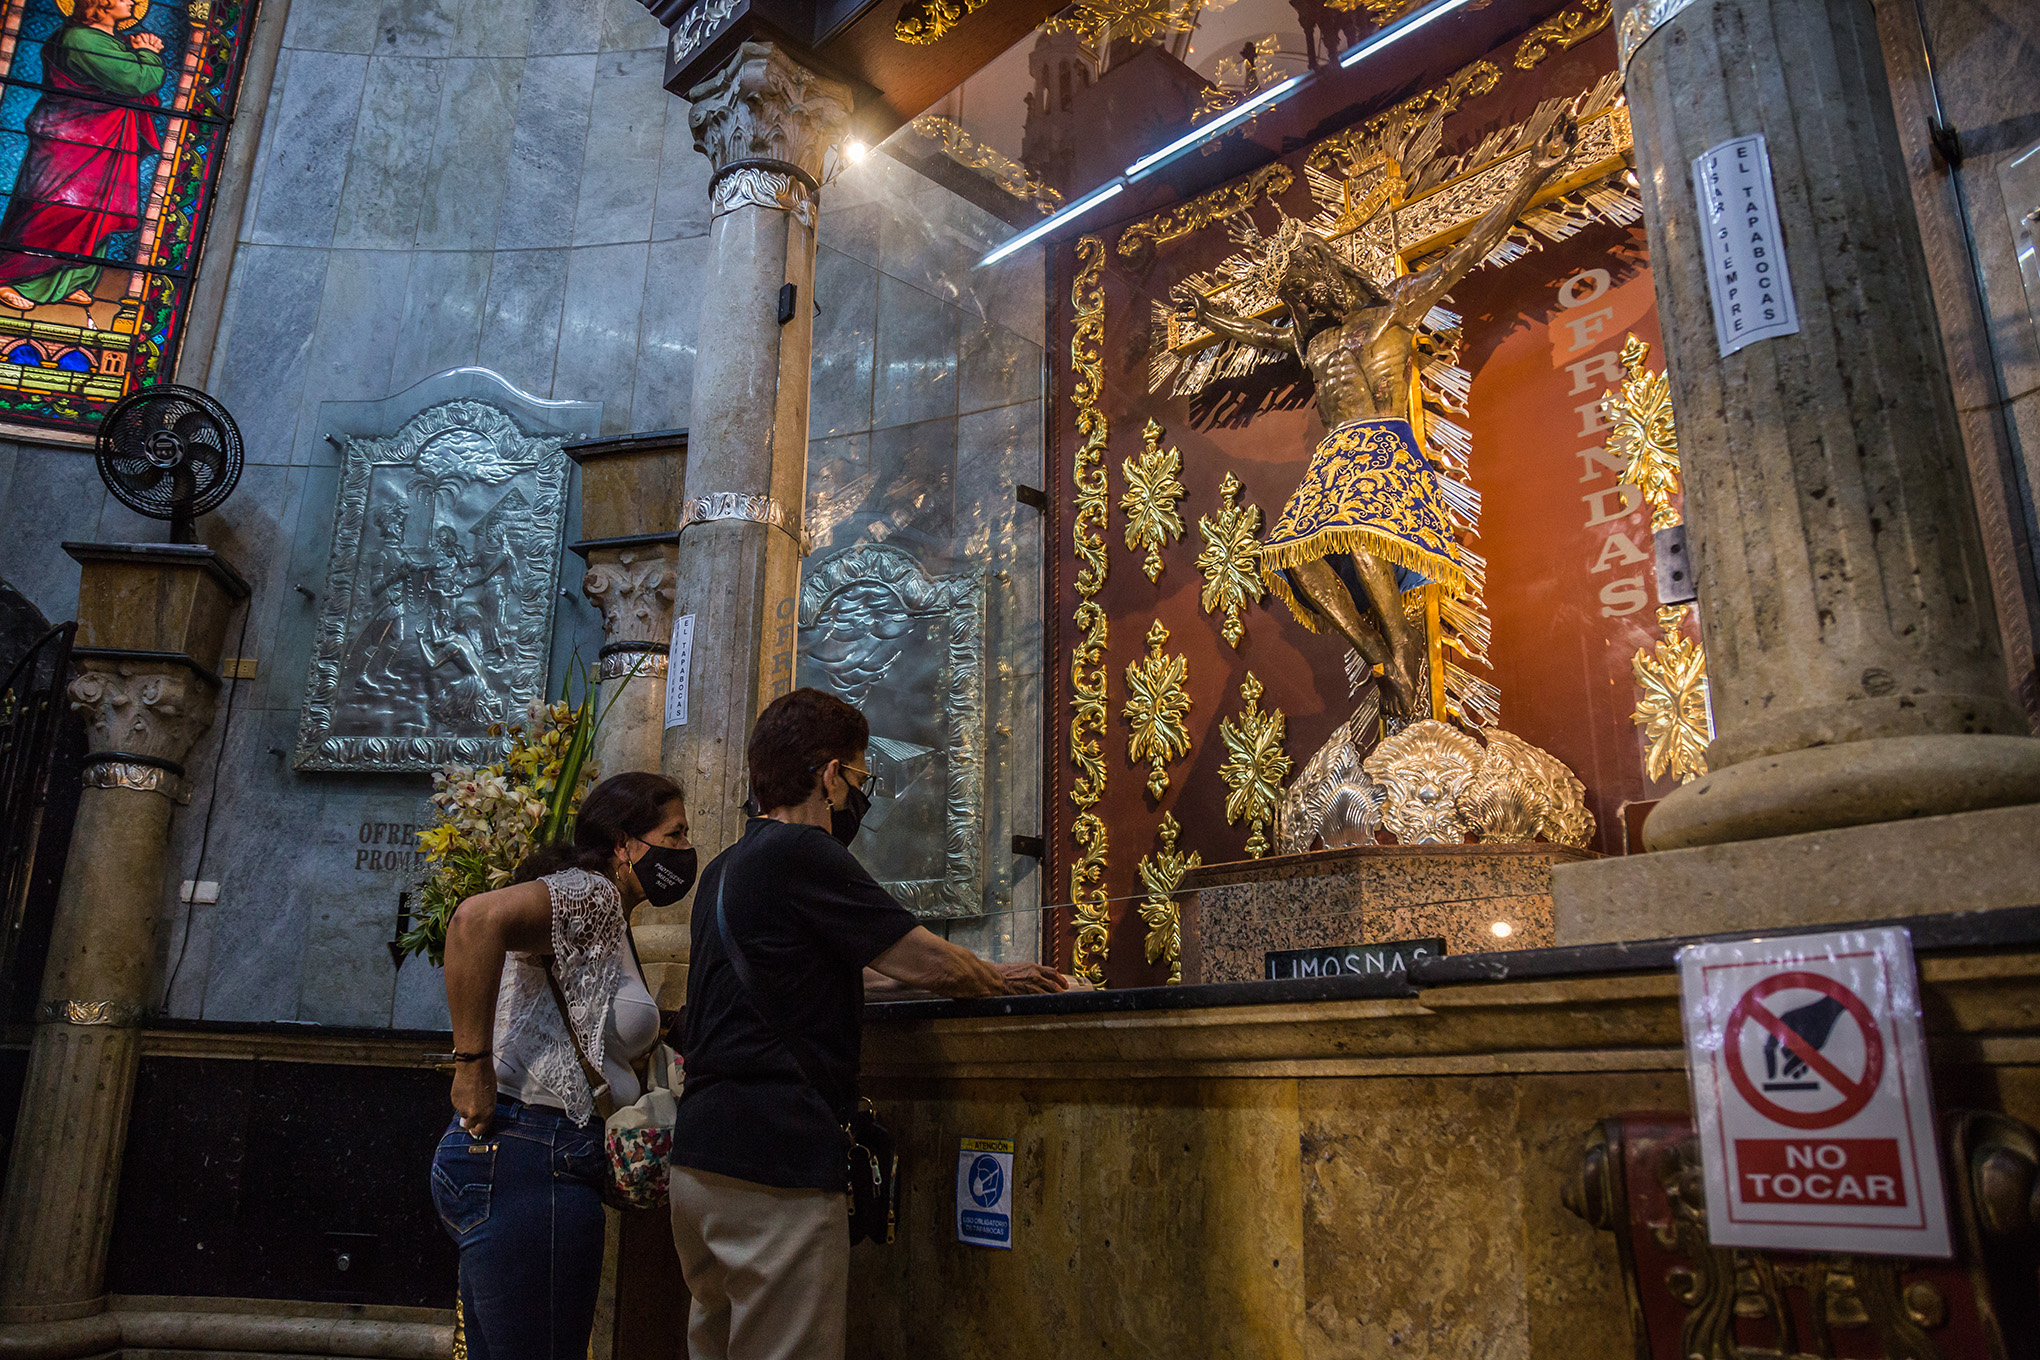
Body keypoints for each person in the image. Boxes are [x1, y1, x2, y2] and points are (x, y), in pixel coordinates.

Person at [671, 688, 1066, 1360]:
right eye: (859, 778)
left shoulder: (725, 869)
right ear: (829, 775)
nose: (860, 796)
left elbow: (829, 975)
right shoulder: (806, 853)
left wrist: (974, 972)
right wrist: (997, 977)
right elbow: (929, 963)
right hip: (777, 1165)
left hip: (702, 1163)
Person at [1186, 106, 1579, 717]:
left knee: (1359, 532)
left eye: (1310, 280)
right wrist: (1213, 320)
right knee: (1296, 553)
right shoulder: (1310, 342)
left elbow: (1468, 250)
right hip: (1335, 456)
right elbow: (1256, 337)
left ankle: (1401, 651)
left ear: (1334, 274)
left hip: (1387, 445)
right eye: (1296, 291)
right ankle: (1375, 647)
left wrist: (1533, 173)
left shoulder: (1396, 308)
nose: (1306, 294)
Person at [432, 771, 698, 1360]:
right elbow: (473, 923)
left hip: (519, 1155)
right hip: (533, 1152)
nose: (685, 851)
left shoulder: (605, 912)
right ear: (624, 845)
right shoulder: (593, 892)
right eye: (674, 835)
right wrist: (469, 1065)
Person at [0, 0, 166, 313]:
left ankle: (66, 280)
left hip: (102, 137)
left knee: (96, 211)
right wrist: (148, 55)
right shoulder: (81, 39)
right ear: (99, 2)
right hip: (74, 139)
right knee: (56, 208)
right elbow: (137, 80)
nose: (132, 1)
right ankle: (12, 279)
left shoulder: (106, 42)